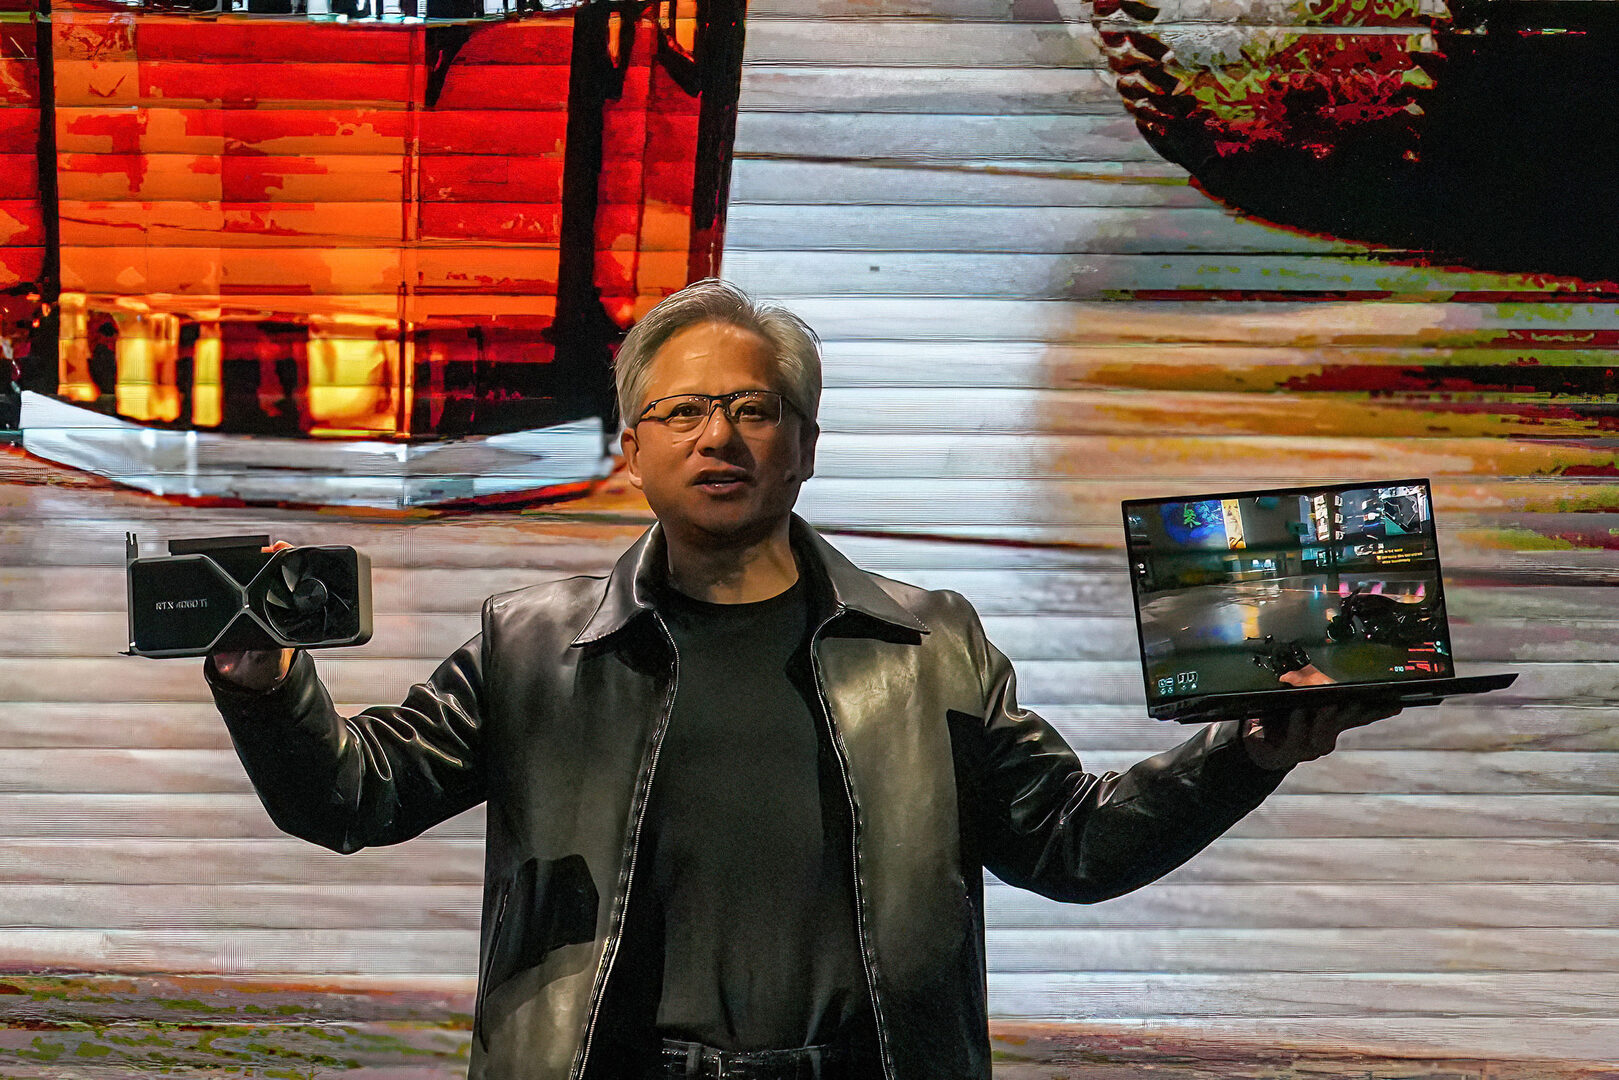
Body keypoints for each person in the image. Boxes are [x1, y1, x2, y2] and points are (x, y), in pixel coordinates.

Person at [206, 279, 1398, 1080]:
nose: (716, 437)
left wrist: (1241, 753)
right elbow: (350, 797)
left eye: (751, 410)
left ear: (805, 447)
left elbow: (1070, 845)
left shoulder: (929, 644)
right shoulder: (530, 647)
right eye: (681, 412)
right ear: (630, 451)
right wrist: (266, 683)